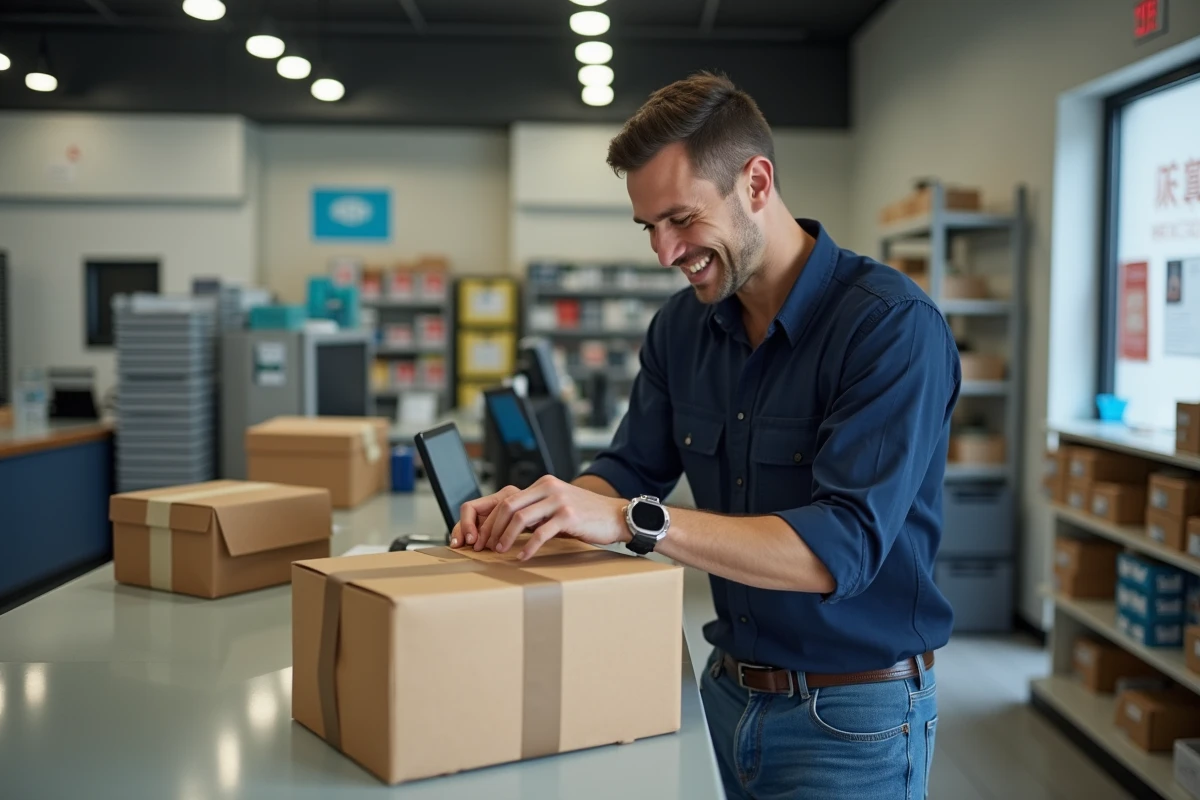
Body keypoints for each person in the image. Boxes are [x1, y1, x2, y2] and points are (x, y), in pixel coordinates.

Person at [451, 71, 960, 800]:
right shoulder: (681, 328)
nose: (664, 252)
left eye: (682, 220)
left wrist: (631, 520)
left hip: (852, 720)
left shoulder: (888, 327)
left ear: (757, 182)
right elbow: (629, 469)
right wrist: (548, 506)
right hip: (722, 694)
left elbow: (838, 549)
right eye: (649, 227)